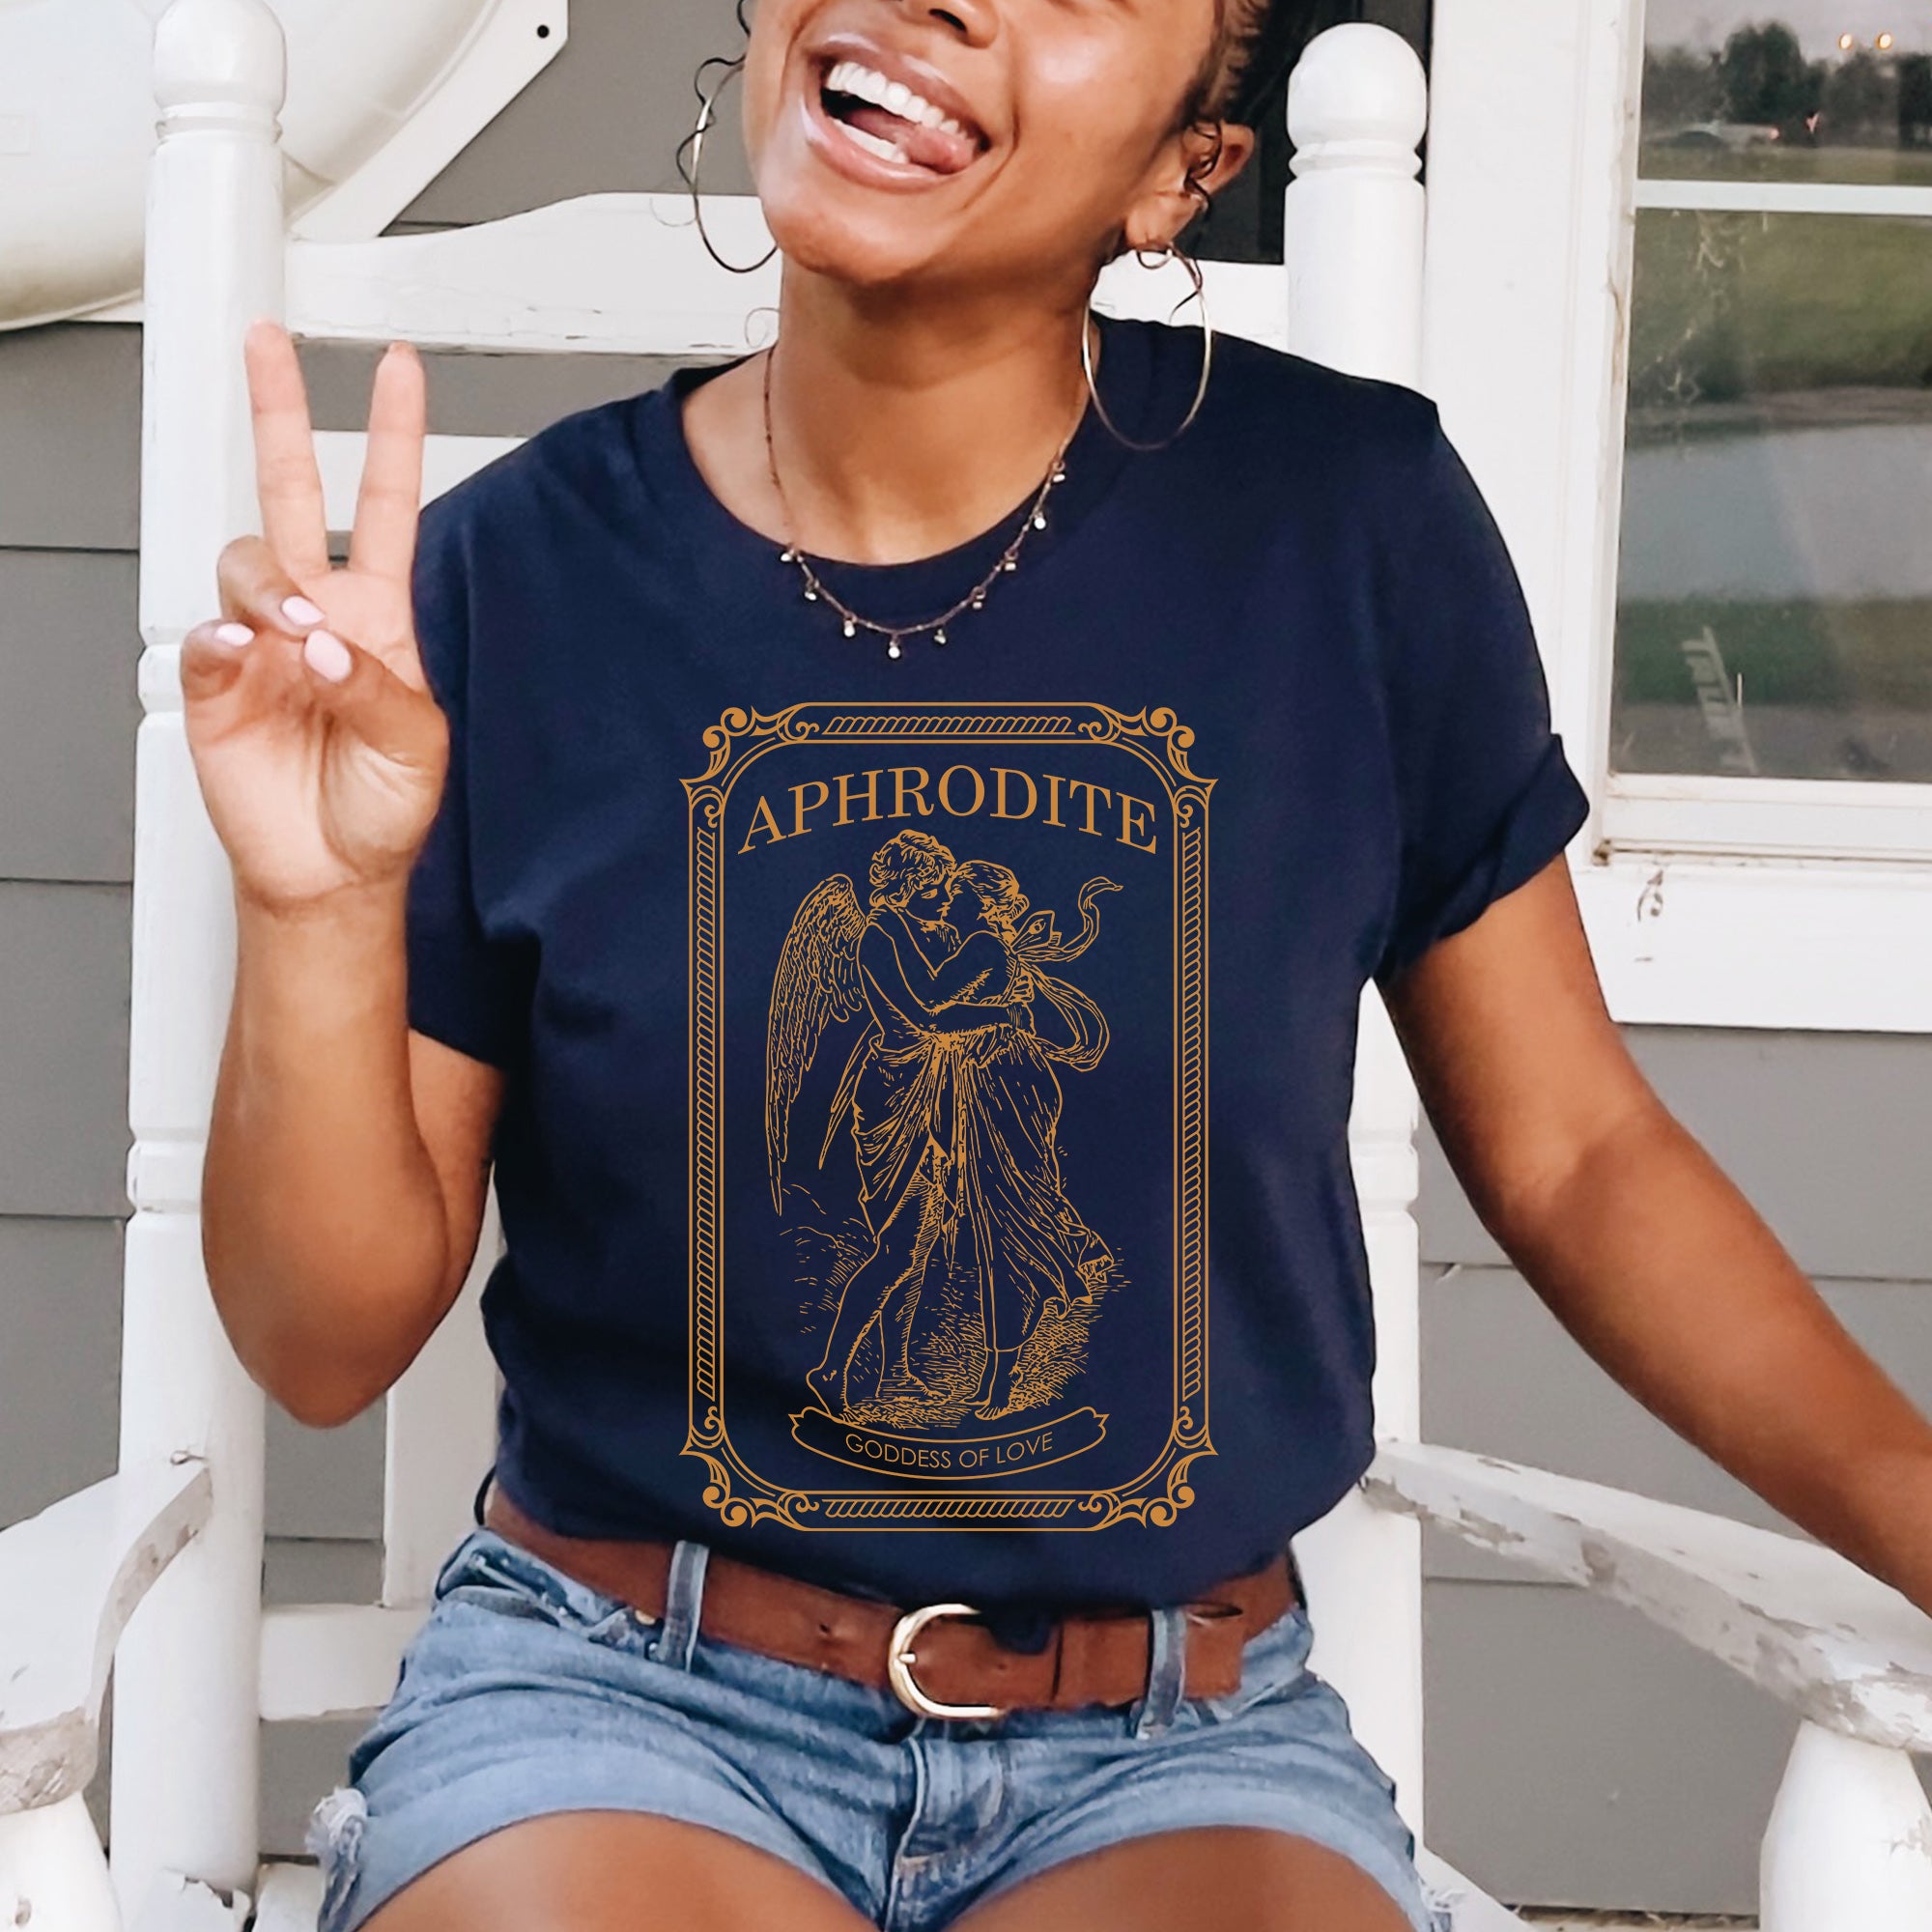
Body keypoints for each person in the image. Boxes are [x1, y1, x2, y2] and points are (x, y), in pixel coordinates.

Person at [186, 0, 1932, 1927]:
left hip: (1171, 1735)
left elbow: (1580, 1155)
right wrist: (317, 907)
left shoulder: (1345, 531)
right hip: (624, 1697)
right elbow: (321, 1345)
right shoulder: (500, 585)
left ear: (1181, 175)